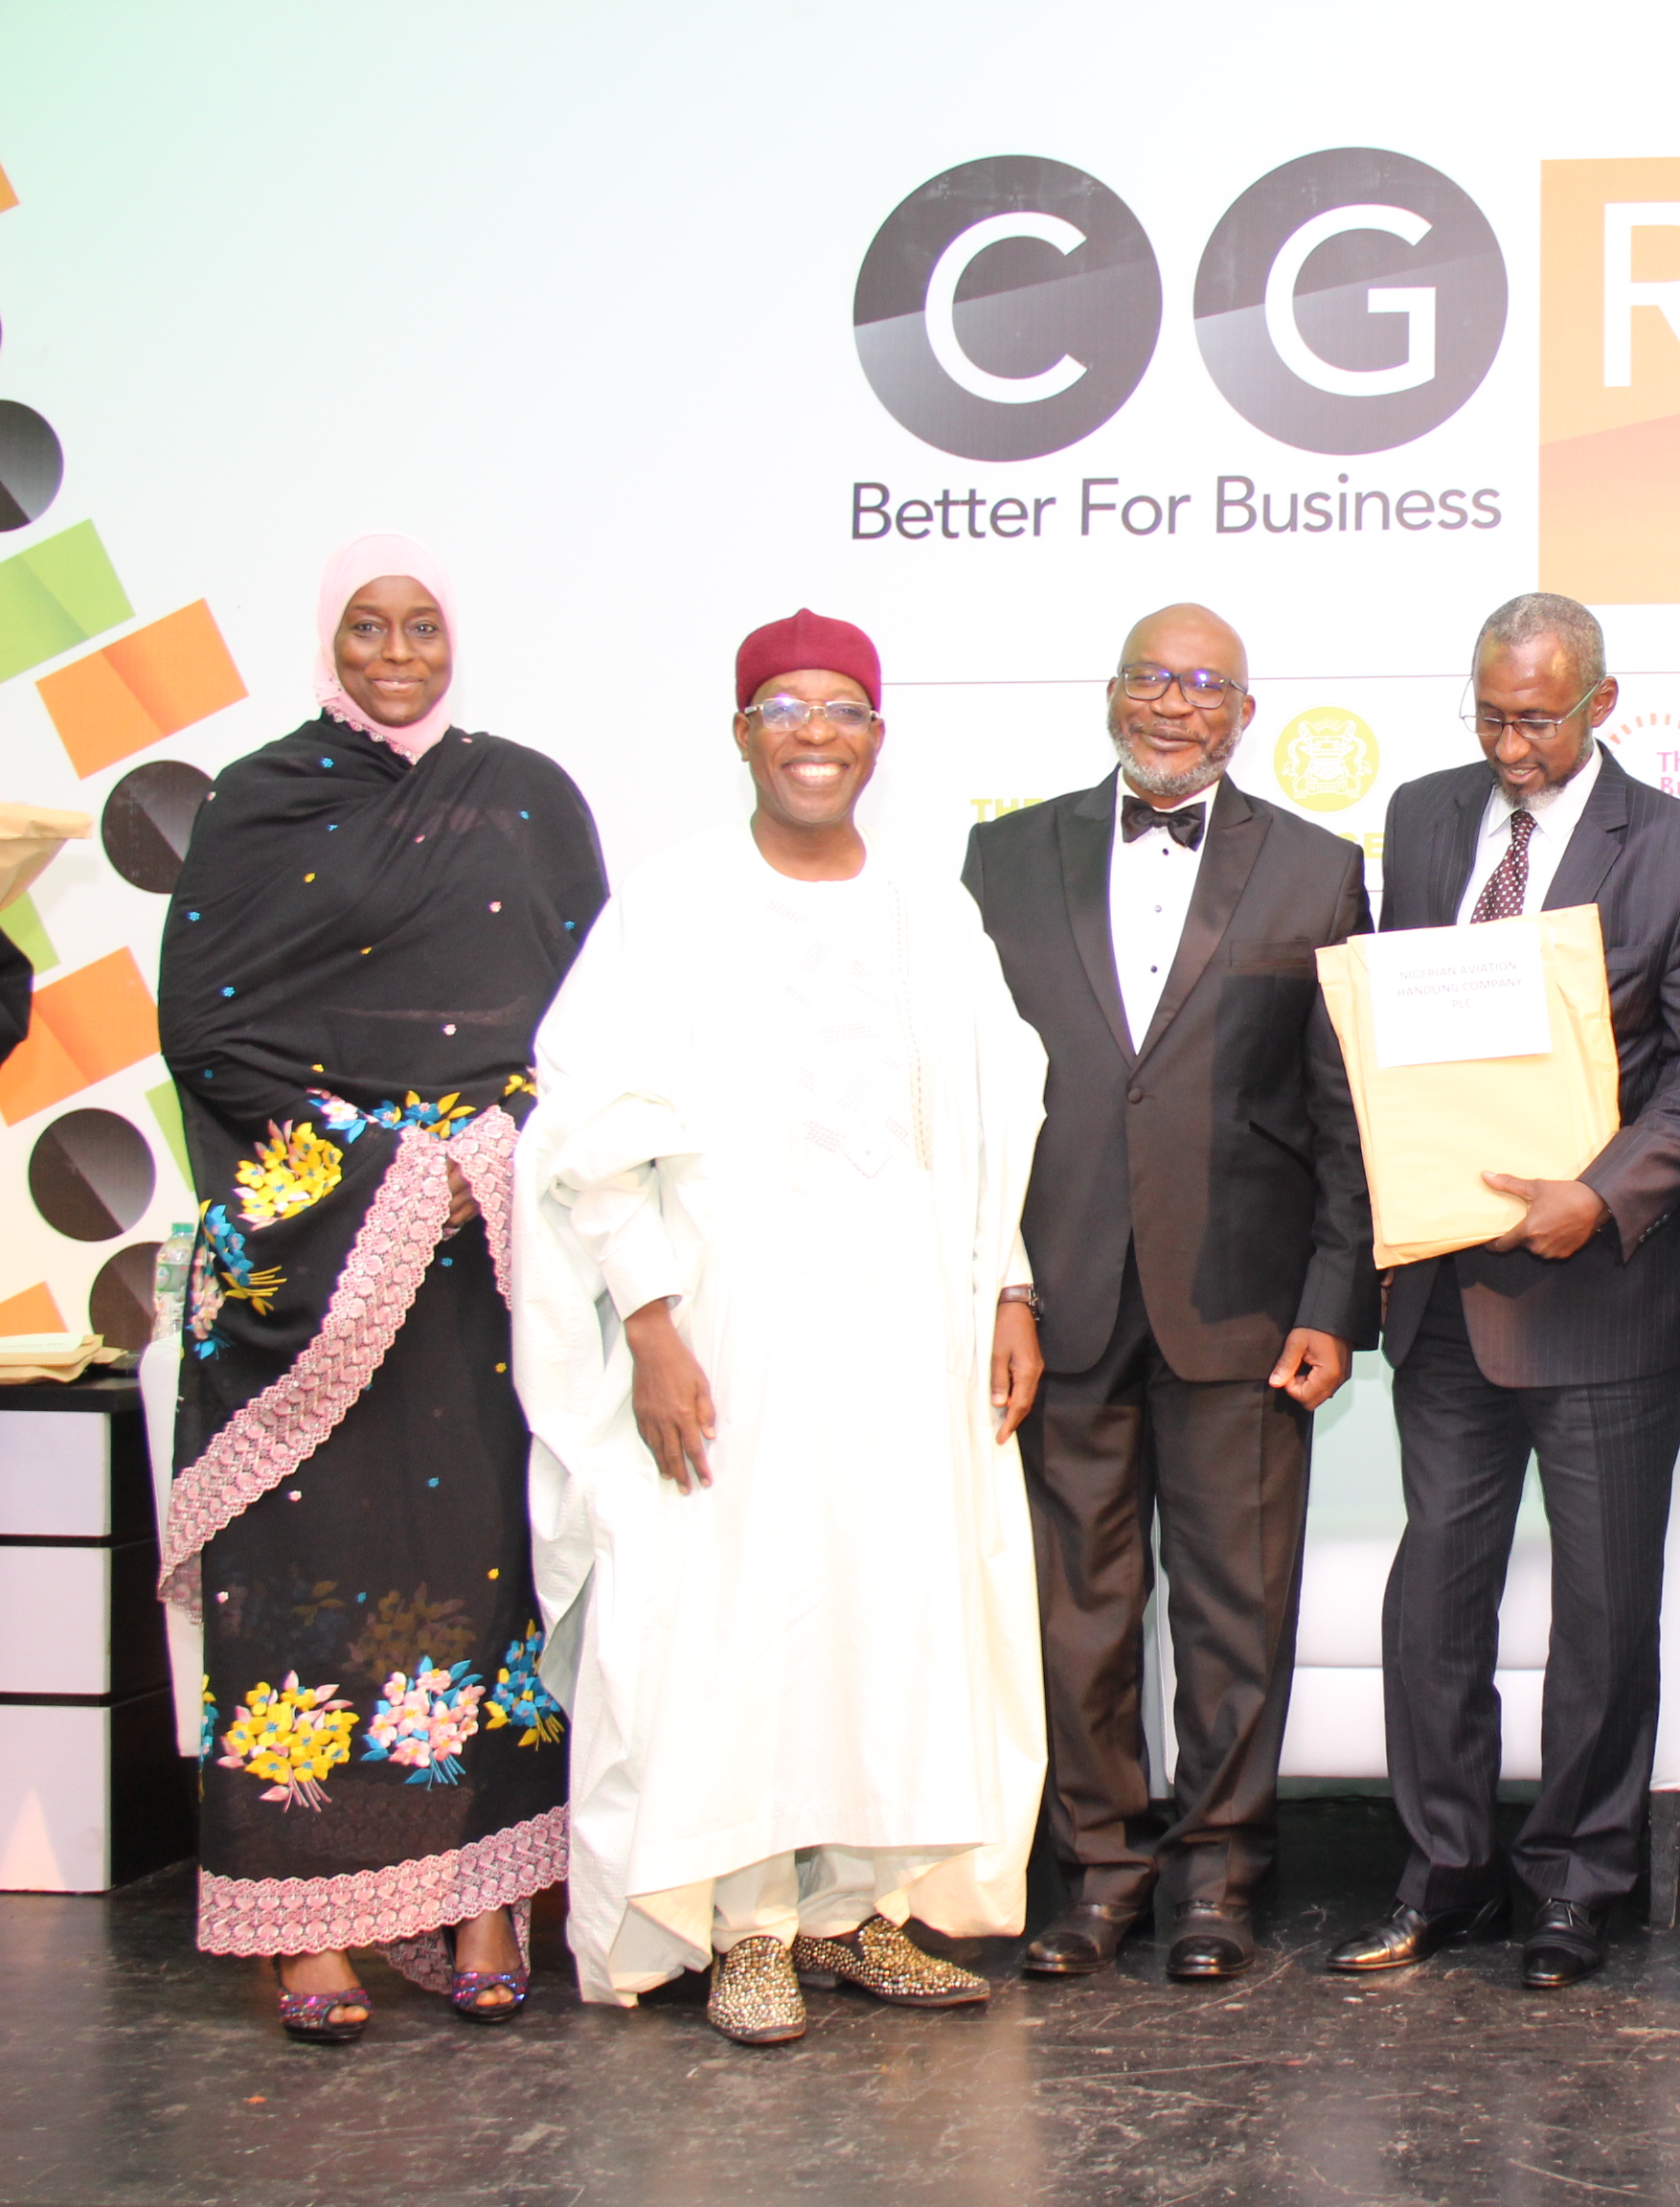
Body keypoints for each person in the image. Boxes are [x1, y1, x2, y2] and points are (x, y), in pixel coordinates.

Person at [515, 610, 1050, 2047]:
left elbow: (992, 1125)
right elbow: (592, 1127)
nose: (817, 733)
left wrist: (1007, 1287)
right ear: (741, 733)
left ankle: (858, 1910)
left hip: (909, 1321)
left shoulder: (932, 910)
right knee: (738, 1610)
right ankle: (746, 1921)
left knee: (893, 1602)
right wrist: (650, 1325)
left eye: (843, 709)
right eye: (784, 707)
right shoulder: (677, 903)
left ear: (878, 734)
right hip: (732, 1321)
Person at [153, 534, 605, 2041]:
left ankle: (489, 1895)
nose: (396, 650)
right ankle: (309, 1930)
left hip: (484, 1256)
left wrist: (489, 1149)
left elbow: (593, 1018)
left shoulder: (529, 794)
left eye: (421, 625)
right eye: (367, 624)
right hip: (315, 1250)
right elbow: (205, 1026)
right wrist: (377, 1154)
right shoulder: (256, 797)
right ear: (328, 641)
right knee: (296, 1586)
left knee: (491, 1574)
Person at [1327, 592, 1680, 1991]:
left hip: (1599, 1298)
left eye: (1537, 718)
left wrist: (1609, 1193)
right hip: (1447, 1290)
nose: (1510, 745)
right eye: (1490, 714)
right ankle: (1443, 1872)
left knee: (1599, 1612)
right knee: (1432, 1598)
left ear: (1602, 705)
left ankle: (1579, 1881)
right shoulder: (1428, 813)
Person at [964, 603, 1376, 1985]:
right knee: (1077, 1609)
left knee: (1233, 1612)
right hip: (1062, 1295)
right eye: (1153, 677)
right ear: (1110, 693)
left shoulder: (1319, 869)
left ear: (1245, 716)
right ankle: (1097, 1874)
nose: (1175, 703)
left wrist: (1334, 1296)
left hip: (1246, 1307)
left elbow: (1344, 1111)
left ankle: (1219, 1879)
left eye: (1207, 686)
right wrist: (998, 1284)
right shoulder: (1001, 857)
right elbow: (970, 1103)